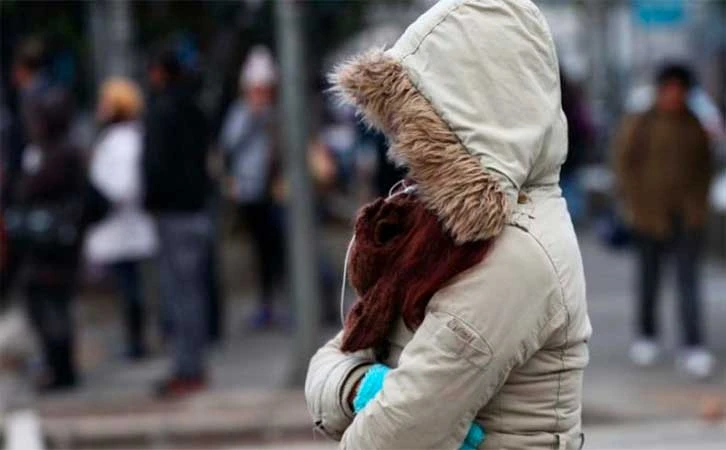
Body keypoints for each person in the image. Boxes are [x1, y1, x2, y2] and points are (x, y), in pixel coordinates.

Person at [305, 1, 591, 448]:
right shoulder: (438, 229)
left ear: (468, 117)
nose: (403, 142)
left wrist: (365, 389)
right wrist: (361, 388)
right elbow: (329, 360)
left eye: (421, 119)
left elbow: (394, 437)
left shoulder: (514, 254)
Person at [614, 64, 715, 379]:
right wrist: (634, 204)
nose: (673, 95)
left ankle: (693, 344)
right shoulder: (641, 123)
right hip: (648, 216)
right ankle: (647, 336)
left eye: (679, 89)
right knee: (649, 280)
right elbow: (623, 164)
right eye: (668, 89)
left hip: (686, 217)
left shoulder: (695, 125)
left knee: (688, 283)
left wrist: (698, 207)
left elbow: (706, 168)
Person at [143, 47, 212, 397]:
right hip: (196, 208)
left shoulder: (162, 111)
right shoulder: (195, 108)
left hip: (173, 212)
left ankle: (188, 368)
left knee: (180, 295)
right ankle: (191, 364)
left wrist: (152, 199)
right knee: (192, 292)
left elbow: (155, 164)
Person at [10, 88, 85, 391]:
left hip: (53, 243)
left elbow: (33, 188)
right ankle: (57, 365)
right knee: (48, 305)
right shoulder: (46, 151)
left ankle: (61, 368)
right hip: (47, 242)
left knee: (51, 306)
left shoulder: (60, 154)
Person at [85, 78, 157, 360]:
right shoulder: (121, 137)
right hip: (123, 223)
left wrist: (105, 201)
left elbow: (124, 184)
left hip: (124, 222)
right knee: (129, 285)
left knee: (131, 287)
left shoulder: (124, 140)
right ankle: (135, 339)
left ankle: (136, 342)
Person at [219, 46, 285, 328]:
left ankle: (277, 303)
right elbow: (229, 144)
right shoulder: (241, 113)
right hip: (249, 192)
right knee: (260, 251)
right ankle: (265, 304)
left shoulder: (276, 113)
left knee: (277, 250)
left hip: (274, 191)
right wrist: (252, 118)